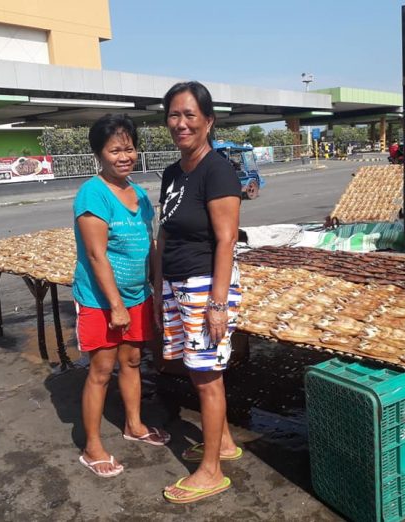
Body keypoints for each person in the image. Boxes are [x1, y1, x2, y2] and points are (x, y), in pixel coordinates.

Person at [155, 81, 243, 503]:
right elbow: (166, 233)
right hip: (177, 284)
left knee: (207, 377)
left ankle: (211, 471)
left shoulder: (218, 169)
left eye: (190, 115)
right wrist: (159, 291)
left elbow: (226, 240)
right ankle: (222, 444)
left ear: (208, 121)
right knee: (195, 367)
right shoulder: (173, 173)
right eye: (174, 115)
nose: (181, 123)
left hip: (206, 285)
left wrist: (218, 304)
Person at [72, 114, 170, 478]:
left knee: (131, 362)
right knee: (100, 370)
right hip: (102, 300)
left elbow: (151, 243)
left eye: (128, 148)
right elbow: (97, 255)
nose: (123, 156)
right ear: (99, 153)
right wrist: (115, 306)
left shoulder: (140, 193)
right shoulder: (92, 194)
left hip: (137, 295)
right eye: (115, 150)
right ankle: (91, 445)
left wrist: (155, 291)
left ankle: (134, 425)